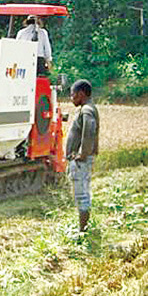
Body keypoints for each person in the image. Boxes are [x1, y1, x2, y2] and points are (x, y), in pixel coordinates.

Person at [66, 79, 100, 232]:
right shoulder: (86, 108)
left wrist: (83, 154)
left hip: (81, 161)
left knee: (81, 195)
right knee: (81, 193)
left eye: (72, 95)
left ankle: (83, 231)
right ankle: (83, 228)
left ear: (81, 94)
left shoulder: (87, 110)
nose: (71, 98)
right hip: (81, 160)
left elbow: (89, 131)